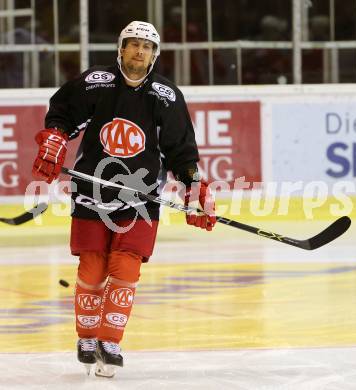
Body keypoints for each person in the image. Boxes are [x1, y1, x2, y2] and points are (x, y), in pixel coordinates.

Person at [31, 20, 216, 378]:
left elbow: (181, 151)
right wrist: (55, 139)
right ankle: (87, 337)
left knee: (127, 269)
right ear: (121, 48)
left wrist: (194, 188)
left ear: (154, 55)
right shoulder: (96, 83)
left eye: (146, 47)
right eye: (133, 44)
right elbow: (63, 115)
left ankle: (110, 340)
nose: (139, 51)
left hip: (141, 198)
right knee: (93, 270)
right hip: (91, 192)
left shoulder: (166, 96)